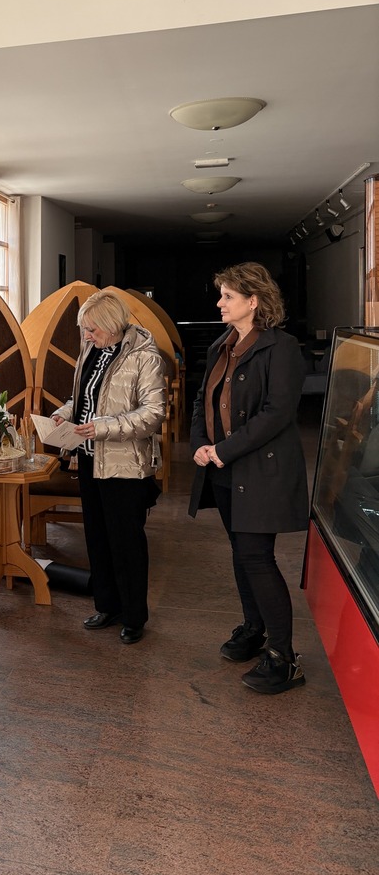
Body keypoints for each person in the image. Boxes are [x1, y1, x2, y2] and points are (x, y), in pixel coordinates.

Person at [189, 262, 309, 694]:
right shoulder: (222, 344)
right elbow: (202, 400)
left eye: (228, 296)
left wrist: (223, 450)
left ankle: (284, 658)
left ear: (253, 301)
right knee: (242, 553)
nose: (219, 304)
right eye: (221, 295)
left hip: (260, 470)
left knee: (257, 557)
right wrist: (200, 444)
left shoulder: (282, 347)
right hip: (224, 470)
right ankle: (254, 629)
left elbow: (277, 413)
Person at [52, 291, 166, 644]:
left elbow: (153, 414)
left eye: (92, 329)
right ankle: (107, 606)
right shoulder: (91, 350)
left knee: (126, 543)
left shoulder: (145, 356)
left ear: (113, 325)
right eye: (84, 329)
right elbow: (84, 399)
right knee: (97, 537)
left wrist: (102, 427)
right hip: (89, 458)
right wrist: (64, 413)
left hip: (125, 466)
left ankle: (133, 616)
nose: (86, 336)